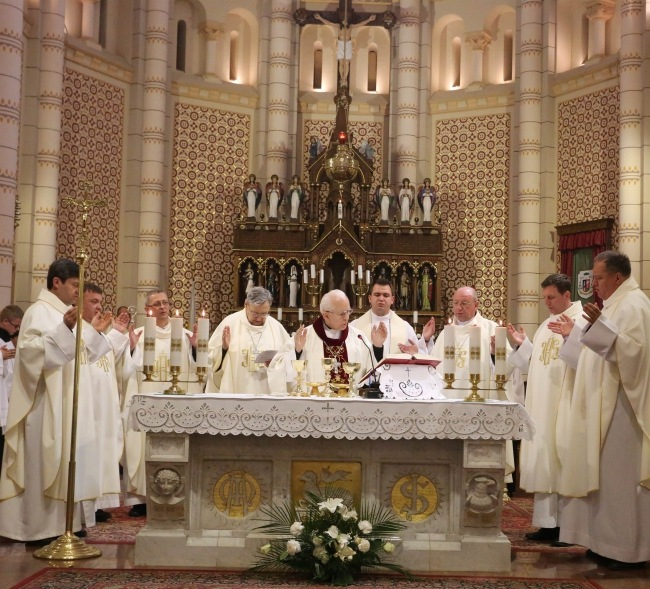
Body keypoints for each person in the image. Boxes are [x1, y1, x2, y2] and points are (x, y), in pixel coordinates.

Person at [0, 259, 113, 543]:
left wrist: (95, 332)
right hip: (45, 405)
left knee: (66, 461)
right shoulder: (39, 312)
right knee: (45, 462)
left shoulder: (64, 313)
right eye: (75, 285)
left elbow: (83, 353)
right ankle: (39, 529)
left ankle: (66, 524)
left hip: (66, 400)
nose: (77, 291)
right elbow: (29, 354)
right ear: (56, 282)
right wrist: (64, 329)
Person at [552, 251, 650, 569]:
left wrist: (600, 329)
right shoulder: (613, 304)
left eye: (599, 278)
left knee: (620, 481)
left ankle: (626, 551)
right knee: (605, 481)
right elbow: (595, 352)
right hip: (604, 406)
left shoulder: (635, 305)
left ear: (617, 277)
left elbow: (636, 355)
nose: (594, 283)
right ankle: (604, 543)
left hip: (623, 411)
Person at [506, 274, 583, 543]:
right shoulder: (545, 324)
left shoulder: (580, 320)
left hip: (565, 405)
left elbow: (587, 362)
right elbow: (536, 364)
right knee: (545, 462)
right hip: (542, 404)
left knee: (563, 462)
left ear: (566, 294)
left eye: (551, 297)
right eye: (544, 298)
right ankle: (548, 524)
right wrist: (523, 344)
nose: (547, 302)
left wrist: (571, 337)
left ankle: (569, 528)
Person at [125, 289, 198, 517]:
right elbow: (125, 368)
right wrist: (131, 348)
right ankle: (141, 499)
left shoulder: (184, 336)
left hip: (176, 400)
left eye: (165, 303)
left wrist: (196, 348)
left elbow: (199, 369)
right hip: (147, 398)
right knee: (143, 443)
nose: (163, 307)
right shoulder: (139, 334)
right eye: (157, 304)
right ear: (147, 309)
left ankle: (178, 493)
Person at [80, 283, 135, 525]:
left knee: (105, 453)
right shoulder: (76, 329)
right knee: (91, 456)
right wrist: (108, 334)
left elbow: (109, 358)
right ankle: (86, 506)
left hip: (106, 405)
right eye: (93, 301)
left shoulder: (99, 330)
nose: (99, 307)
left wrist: (118, 334)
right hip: (90, 406)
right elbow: (84, 356)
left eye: (100, 302)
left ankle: (98, 504)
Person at [270, 290, 374, 391]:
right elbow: (277, 369)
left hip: (349, 401)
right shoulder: (305, 336)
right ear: (326, 315)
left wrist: (378, 346)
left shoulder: (357, 337)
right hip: (315, 401)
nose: (347, 317)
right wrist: (297, 352)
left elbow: (372, 366)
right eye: (342, 313)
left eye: (348, 311)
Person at [206, 287, 290, 395]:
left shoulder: (276, 328)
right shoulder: (230, 323)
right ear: (246, 305)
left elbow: (289, 360)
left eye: (264, 314)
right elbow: (210, 358)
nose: (259, 318)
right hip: (236, 391)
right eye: (255, 313)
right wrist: (224, 348)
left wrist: (276, 364)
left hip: (266, 393)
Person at [351, 279, 434, 358]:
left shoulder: (405, 328)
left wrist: (424, 342)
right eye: (377, 295)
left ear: (392, 300)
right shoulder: (355, 326)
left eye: (386, 295)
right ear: (370, 298)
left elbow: (421, 356)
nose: (381, 299)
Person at [0, 305, 22, 462]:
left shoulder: (7, 343)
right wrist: (1, 356)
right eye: (16, 326)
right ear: (5, 321)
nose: (17, 330)